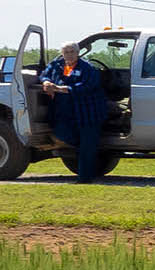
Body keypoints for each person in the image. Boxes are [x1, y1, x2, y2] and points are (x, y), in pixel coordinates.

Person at [36, 42, 107, 183]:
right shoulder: (56, 64)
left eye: (72, 51)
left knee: (87, 145)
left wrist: (61, 89)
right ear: (62, 53)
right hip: (64, 112)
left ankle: (84, 179)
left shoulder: (88, 68)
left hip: (87, 112)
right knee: (62, 133)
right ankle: (86, 163)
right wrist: (46, 83)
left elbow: (87, 86)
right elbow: (44, 75)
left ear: (78, 52)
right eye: (66, 52)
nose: (69, 54)